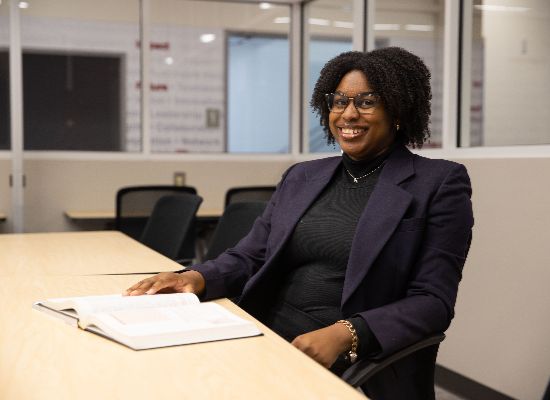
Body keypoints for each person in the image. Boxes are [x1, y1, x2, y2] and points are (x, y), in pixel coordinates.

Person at [125, 47, 474, 400]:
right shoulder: (302, 176)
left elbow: (433, 301)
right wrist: (193, 278)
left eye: (366, 102)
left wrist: (345, 333)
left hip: (344, 354)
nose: (348, 114)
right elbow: (251, 256)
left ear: (397, 110)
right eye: (338, 101)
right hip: (263, 332)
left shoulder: (438, 182)